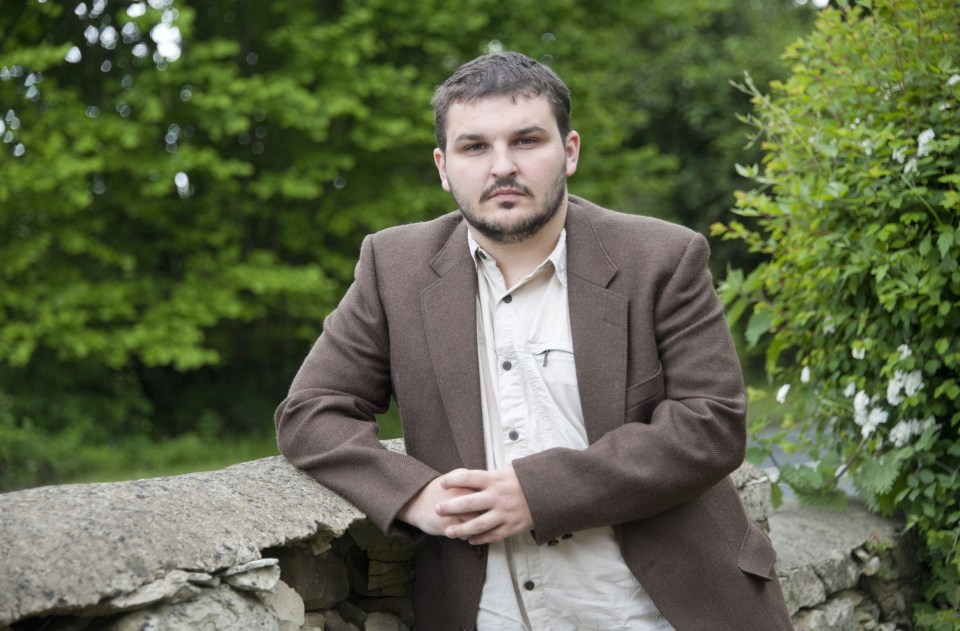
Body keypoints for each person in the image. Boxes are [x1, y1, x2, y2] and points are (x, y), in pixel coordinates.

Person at [275, 51, 792, 630]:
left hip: (661, 608)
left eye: (526, 141)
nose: (502, 167)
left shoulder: (662, 258)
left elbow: (713, 424)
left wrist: (536, 492)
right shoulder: (393, 267)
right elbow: (311, 413)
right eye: (475, 147)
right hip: (490, 613)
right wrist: (417, 497)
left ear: (569, 151)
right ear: (444, 167)